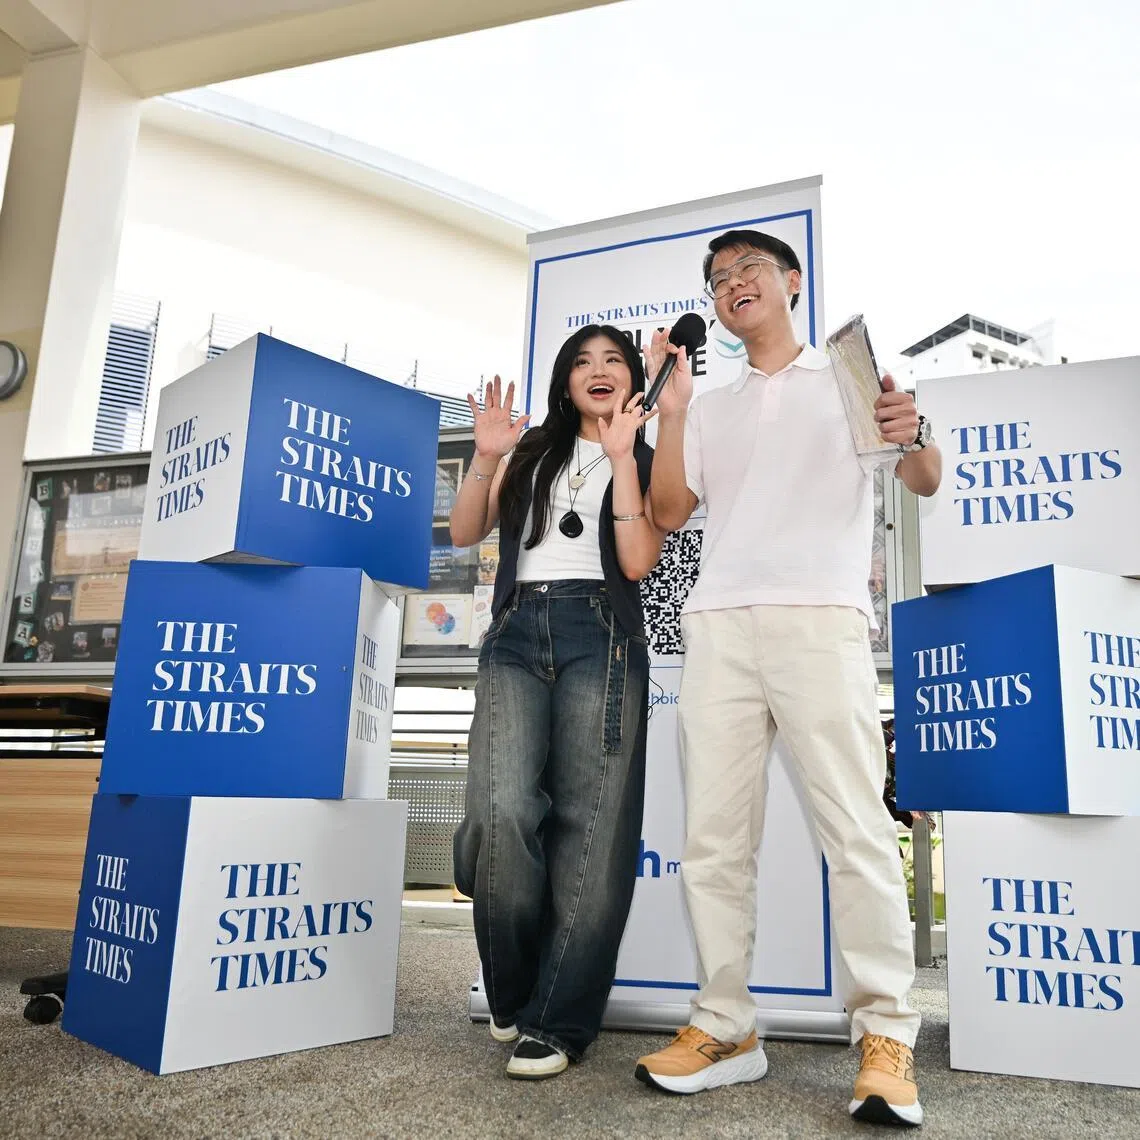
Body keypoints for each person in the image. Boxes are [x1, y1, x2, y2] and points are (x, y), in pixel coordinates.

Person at [633, 230, 942, 1127]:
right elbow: (667, 511)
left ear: (791, 283)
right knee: (714, 840)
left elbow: (920, 474)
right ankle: (726, 1027)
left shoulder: (846, 375)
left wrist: (913, 431)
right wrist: (678, 407)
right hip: (719, 625)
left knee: (855, 831)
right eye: (719, 280)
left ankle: (885, 1036)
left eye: (750, 272)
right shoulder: (712, 402)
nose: (734, 287)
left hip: (820, 618)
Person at [451, 325, 666, 1080]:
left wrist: (621, 460)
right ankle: (512, 988)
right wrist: (486, 455)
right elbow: (465, 531)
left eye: (613, 360)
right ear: (565, 381)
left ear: (632, 375)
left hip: (599, 632)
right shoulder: (534, 448)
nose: (599, 371)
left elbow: (637, 561)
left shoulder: (645, 451)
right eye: (583, 362)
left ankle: (559, 1020)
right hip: (515, 629)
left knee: (591, 830)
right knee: (499, 810)